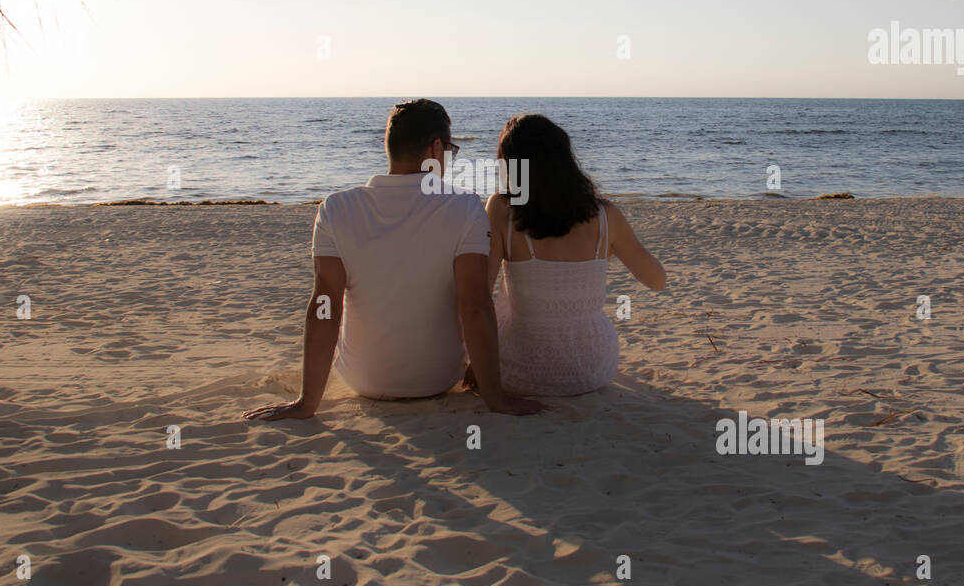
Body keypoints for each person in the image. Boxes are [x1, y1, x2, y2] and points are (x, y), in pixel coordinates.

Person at [244, 99, 540, 420]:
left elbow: (325, 305)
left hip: (363, 379)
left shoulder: (336, 208)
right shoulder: (465, 207)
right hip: (438, 378)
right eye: (451, 151)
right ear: (436, 148)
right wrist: (495, 398)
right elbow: (474, 306)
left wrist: (306, 403)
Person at [483, 113, 666, 396]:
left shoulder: (501, 210)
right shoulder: (606, 216)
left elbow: (482, 290)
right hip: (594, 369)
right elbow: (657, 281)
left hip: (520, 369)